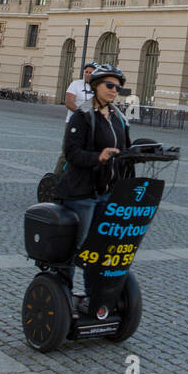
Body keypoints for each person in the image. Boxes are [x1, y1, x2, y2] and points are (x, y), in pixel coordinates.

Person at [57, 64, 131, 300]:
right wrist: (97, 157)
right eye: (109, 85)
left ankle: (94, 295)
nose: (114, 90)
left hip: (106, 193)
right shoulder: (83, 116)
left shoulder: (119, 118)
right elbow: (71, 153)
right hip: (82, 193)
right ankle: (63, 295)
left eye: (117, 87)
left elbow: (124, 150)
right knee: (74, 247)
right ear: (96, 86)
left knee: (98, 248)